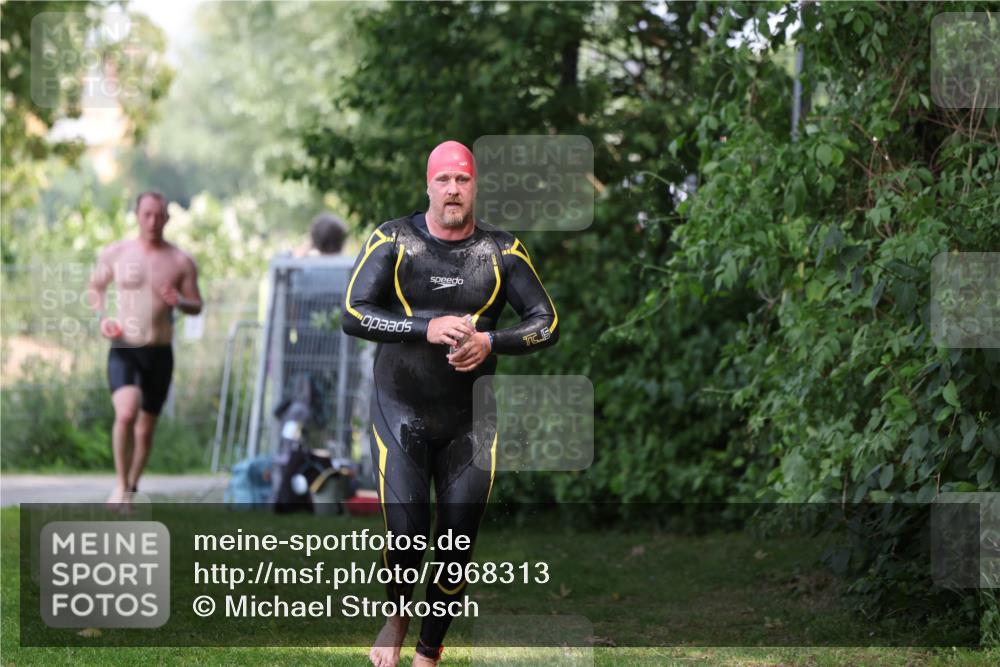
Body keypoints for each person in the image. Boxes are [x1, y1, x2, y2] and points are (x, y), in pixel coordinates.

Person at [342, 140, 559, 667]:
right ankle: (396, 617)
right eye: (444, 180)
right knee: (409, 533)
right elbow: (353, 312)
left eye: (462, 179)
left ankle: (428, 654)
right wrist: (425, 327)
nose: (453, 189)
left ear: (475, 185)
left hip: (470, 420)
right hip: (402, 411)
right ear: (429, 185)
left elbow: (546, 322)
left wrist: (492, 341)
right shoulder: (393, 240)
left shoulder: (502, 251)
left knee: (458, 542)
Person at [87, 191, 203, 510]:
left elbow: (197, 304)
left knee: (146, 428)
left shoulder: (181, 261)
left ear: (166, 218)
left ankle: (131, 488)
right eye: (147, 214)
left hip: (159, 352)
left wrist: (179, 301)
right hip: (124, 346)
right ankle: (120, 484)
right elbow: (95, 289)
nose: (152, 221)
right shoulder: (116, 253)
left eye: (159, 215)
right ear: (137, 215)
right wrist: (102, 318)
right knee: (125, 413)